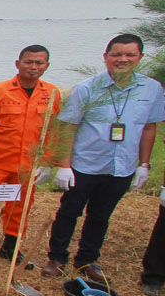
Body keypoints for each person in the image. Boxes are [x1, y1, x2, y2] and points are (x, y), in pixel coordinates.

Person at [42, 34, 165, 281]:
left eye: (130, 55)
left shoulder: (151, 89)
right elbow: (68, 127)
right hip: (85, 163)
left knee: (100, 215)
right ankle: (57, 257)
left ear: (140, 57)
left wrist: (144, 164)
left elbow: (149, 127)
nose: (123, 59)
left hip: (122, 165)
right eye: (116, 54)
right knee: (69, 212)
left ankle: (87, 260)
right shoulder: (87, 88)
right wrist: (63, 165)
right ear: (106, 57)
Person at [0, 46, 61, 263]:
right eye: (29, 62)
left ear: (47, 66)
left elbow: (53, 129)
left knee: (20, 206)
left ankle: (10, 246)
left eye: (39, 63)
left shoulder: (51, 94)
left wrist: (48, 162)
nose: (33, 67)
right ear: (18, 64)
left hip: (27, 165)